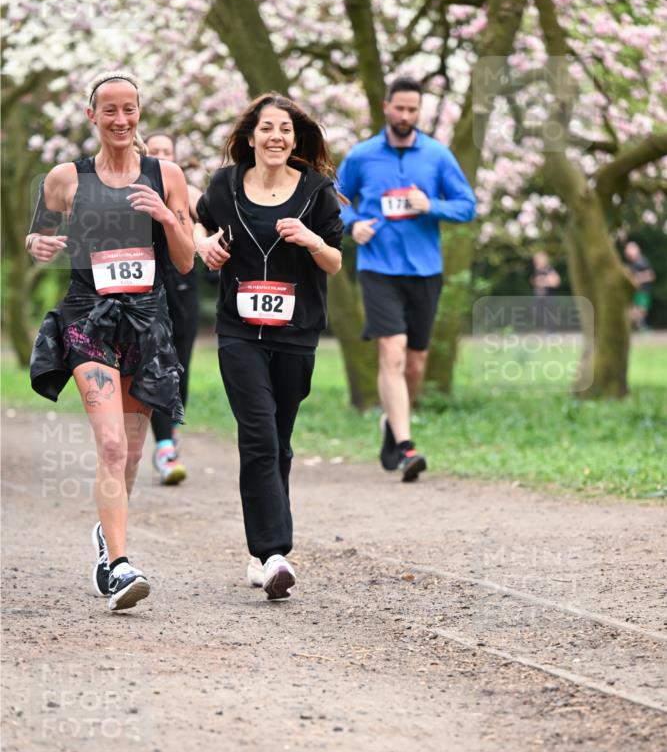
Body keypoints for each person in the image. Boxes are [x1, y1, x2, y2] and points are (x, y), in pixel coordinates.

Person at [28, 71, 194, 612]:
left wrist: (168, 217)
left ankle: (107, 542)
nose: (121, 120)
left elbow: (187, 260)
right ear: (91, 116)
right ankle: (121, 568)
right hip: (87, 320)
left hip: (146, 321)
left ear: (139, 114)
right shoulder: (64, 178)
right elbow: (38, 231)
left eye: (130, 110)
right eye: (110, 110)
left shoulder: (164, 173)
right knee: (112, 445)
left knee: (130, 457)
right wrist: (39, 244)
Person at [194, 92, 344, 600]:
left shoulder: (317, 192)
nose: (276, 137)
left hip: (296, 333)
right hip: (238, 331)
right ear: (251, 137)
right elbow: (199, 221)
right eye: (267, 128)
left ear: (295, 138)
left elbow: (335, 262)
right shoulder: (226, 185)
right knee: (257, 434)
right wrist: (204, 245)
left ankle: (260, 556)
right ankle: (276, 551)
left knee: (277, 440)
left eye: (285, 129)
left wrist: (310, 240)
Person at [337, 76, 476, 482]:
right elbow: (333, 196)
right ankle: (407, 446)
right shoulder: (363, 156)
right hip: (378, 268)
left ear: (419, 111)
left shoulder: (437, 155)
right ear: (386, 107)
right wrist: (353, 224)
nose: (405, 116)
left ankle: (392, 426)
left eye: (412, 110)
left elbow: (467, 206)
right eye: (399, 108)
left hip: (425, 271)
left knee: (415, 366)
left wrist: (429, 204)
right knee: (392, 352)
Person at [144, 131, 201, 485]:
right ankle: (164, 446)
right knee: (157, 364)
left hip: (185, 289)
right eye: (155, 151)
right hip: (149, 288)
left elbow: (208, 229)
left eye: (168, 151)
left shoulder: (191, 194)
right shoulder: (134, 191)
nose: (162, 156)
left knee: (181, 366)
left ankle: (171, 432)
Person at [624, 240, 655, 331]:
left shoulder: (642, 262)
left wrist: (637, 279)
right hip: (636, 291)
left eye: (630, 249)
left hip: (643, 290)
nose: (628, 252)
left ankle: (637, 326)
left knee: (641, 311)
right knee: (635, 310)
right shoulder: (632, 263)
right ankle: (638, 326)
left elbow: (651, 275)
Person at [531, 251, 560, 330]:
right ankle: (542, 329)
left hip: (548, 295)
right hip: (539, 296)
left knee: (549, 313)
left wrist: (543, 282)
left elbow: (556, 282)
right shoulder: (537, 270)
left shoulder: (549, 269)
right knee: (538, 312)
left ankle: (550, 331)